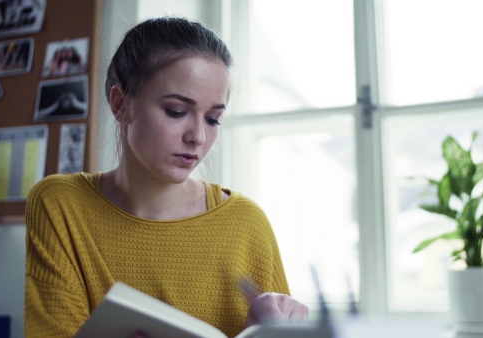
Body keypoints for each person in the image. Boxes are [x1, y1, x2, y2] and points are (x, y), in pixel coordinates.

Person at [24, 17, 308, 338]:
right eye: (176, 111)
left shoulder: (247, 225)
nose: (198, 136)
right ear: (121, 105)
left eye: (214, 118)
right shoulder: (60, 204)